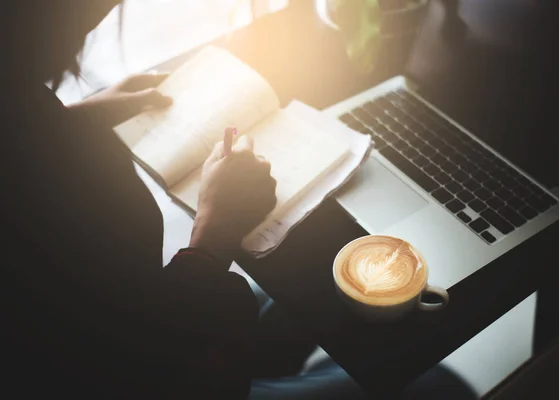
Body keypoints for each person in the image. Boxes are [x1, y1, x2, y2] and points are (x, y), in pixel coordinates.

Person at [2, 1, 477, 399]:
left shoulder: (20, 98)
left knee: (297, 292)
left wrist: (72, 117)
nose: (100, 21)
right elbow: (133, 355)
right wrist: (215, 232)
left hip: (167, 328)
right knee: (442, 386)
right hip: (155, 372)